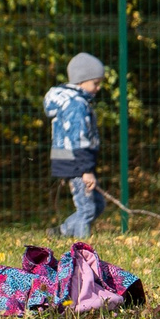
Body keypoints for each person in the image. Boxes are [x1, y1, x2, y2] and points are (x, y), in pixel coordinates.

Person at [45, 54, 107, 239]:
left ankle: (62, 232)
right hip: (77, 161)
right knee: (87, 209)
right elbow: (78, 140)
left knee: (97, 204)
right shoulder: (76, 105)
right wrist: (86, 171)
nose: (98, 88)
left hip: (73, 160)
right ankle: (82, 248)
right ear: (81, 81)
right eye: (95, 83)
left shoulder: (74, 101)